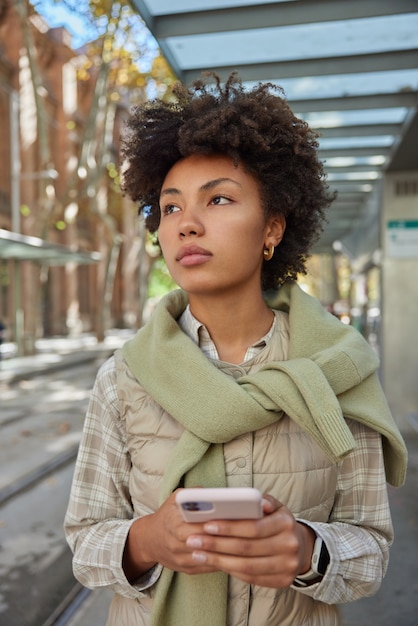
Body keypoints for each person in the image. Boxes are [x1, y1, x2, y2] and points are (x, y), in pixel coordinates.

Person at [64, 73, 407, 626]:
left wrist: (307, 552)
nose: (186, 225)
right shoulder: (124, 377)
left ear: (272, 228)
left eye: (218, 199)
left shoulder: (340, 371)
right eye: (170, 208)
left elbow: (371, 548)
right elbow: (85, 542)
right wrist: (148, 540)